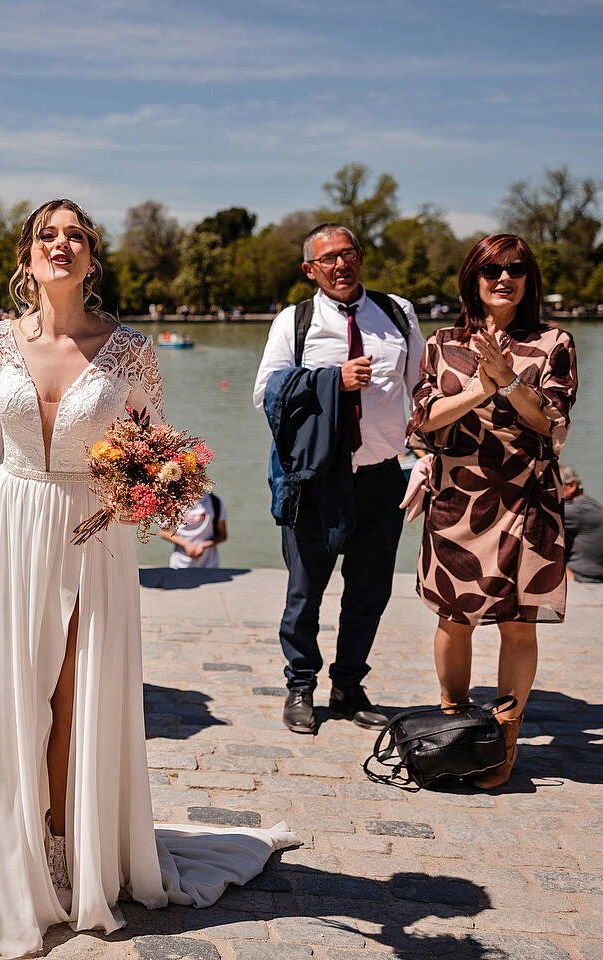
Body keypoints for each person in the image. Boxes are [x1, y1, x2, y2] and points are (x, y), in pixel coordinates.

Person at [0, 199, 297, 958]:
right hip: (13, 520)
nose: (61, 244)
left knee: (75, 693)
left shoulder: (129, 349)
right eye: (47, 235)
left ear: (91, 259)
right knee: (12, 691)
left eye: (76, 236)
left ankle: (69, 849)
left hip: (90, 529)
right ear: (27, 257)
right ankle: (13, 845)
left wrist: (149, 499)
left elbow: (158, 447)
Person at [407, 233, 578, 789]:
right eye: (492, 269)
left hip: (527, 498)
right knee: (454, 621)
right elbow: (424, 420)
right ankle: (453, 725)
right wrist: (481, 388)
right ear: (473, 278)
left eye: (516, 269)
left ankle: (503, 738)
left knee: (517, 624)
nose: (504, 278)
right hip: (458, 500)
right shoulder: (442, 343)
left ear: (529, 280)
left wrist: (508, 379)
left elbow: (551, 422)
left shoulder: (553, 343)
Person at [252, 223, 424, 735]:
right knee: (305, 592)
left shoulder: (397, 312)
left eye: (348, 254)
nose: (341, 265)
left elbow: (422, 388)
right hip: (316, 479)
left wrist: (431, 453)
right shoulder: (295, 321)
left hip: (382, 476)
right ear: (310, 270)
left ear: (361, 257)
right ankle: (300, 686)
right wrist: (333, 380)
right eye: (328, 259)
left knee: (369, 592)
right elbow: (265, 395)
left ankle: (348, 687)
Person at [560, 465, 603, 584]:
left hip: (588, 582)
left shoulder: (575, 510)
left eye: (552, 486)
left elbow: (533, 520)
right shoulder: (589, 505)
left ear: (571, 486)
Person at [158, 491, 227, 568]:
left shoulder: (215, 501)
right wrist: (186, 544)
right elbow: (163, 532)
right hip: (180, 563)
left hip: (210, 564)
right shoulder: (174, 502)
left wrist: (204, 545)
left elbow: (223, 535)